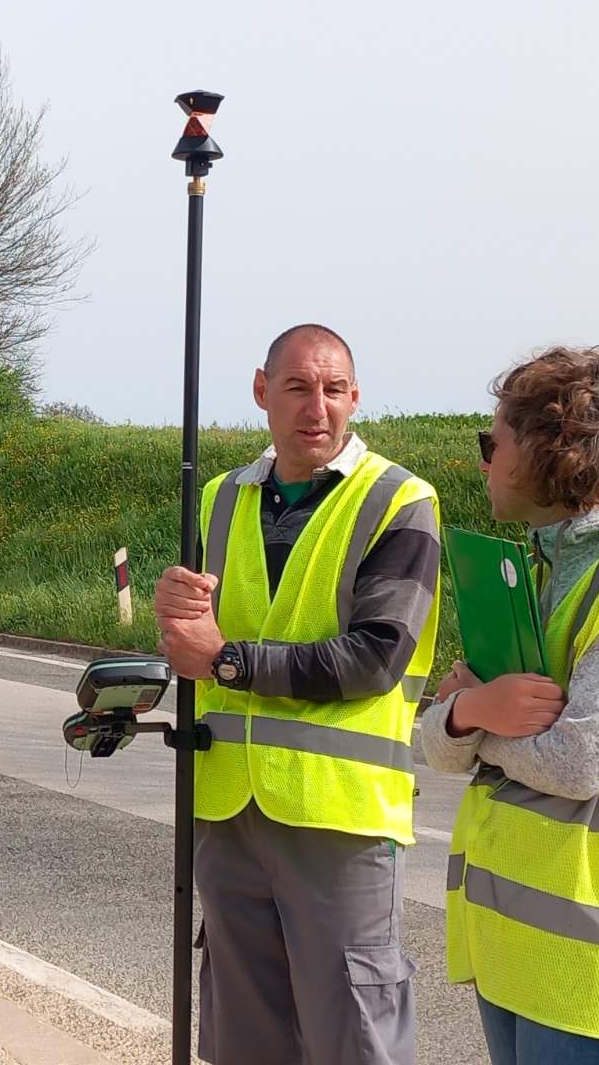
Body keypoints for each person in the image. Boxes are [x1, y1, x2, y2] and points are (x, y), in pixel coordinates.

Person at [156, 324, 441, 1065]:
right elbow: (203, 636)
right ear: (262, 392)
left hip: (339, 820)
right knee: (243, 1041)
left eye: (335, 389)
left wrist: (226, 662)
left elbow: (375, 657)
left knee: (353, 1037)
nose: (319, 407)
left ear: (355, 396)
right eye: (298, 388)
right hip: (227, 809)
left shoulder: (400, 500)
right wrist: (176, 616)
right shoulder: (220, 499)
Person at [421, 346, 599, 1063]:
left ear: (555, 453)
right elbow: (433, 742)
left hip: (598, 962)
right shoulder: (538, 568)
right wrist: (469, 712)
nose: (484, 460)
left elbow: (581, 759)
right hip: (523, 951)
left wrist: (478, 720)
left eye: (495, 442)